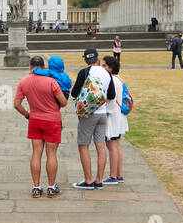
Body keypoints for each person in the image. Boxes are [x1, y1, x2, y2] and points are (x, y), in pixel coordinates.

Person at [14, 55, 67, 198]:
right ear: (44, 67)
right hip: (52, 120)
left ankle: (36, 187)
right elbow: (63, 103)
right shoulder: (51, 81)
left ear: (30, 67)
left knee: (36, 153)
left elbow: (16, 104)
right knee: (51, 154)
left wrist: (27, 115)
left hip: (35, 120)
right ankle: (51, 187)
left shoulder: (24, 81)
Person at [70, 47, 116, 189]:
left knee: (83, 145)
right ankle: (99, 180)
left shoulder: (84, 72)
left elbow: (74, 92)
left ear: (85, 59)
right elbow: (111, 95)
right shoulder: (106, 73)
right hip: (102, 114)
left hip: (88, 114)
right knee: (100, 147)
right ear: (97, 59)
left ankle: (88, 180)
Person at [102, 55, 128, 184]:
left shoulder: (112, 80)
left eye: (105, 65)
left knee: (112, 145)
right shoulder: (119, 79)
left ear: (111, 68)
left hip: (112, 115)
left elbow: (112, 100)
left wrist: (106, 113)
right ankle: (119, 174)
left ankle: (113, 176)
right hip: (119, 115)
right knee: (117, 145)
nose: (103, 67)